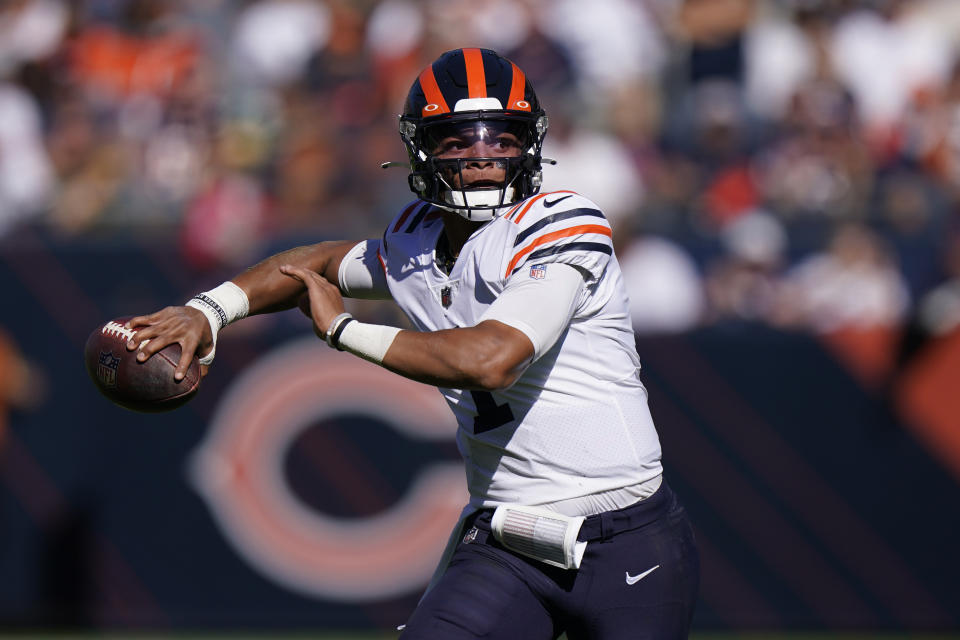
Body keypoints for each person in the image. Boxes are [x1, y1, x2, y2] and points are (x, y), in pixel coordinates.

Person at [125, 48, 699, 639]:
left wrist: (345, 331)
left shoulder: (563, 222)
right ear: (422, 151)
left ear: (528, 145)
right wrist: (208, 311)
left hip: (627, 540)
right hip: (507, 543)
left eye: (501, 139)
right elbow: (309, 263)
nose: (482, 159)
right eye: (458, 142)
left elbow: (492, 360)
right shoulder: (413, 240)